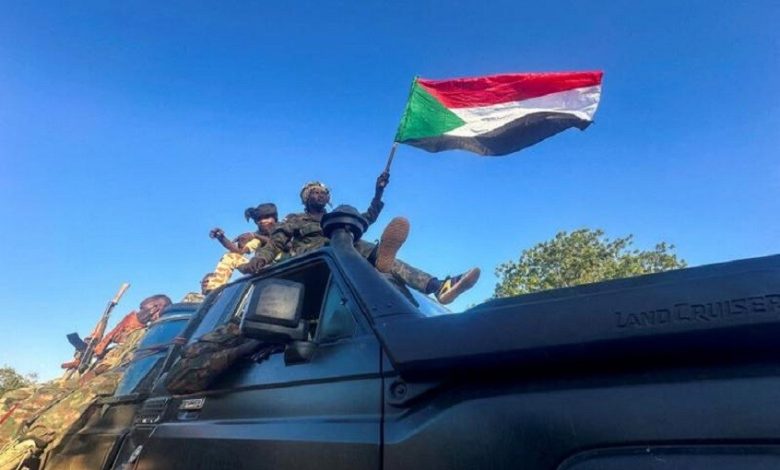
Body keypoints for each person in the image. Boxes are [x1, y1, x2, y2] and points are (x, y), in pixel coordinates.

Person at [239, 176, 479, 305]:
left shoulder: (337, 218)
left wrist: (378, 192)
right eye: (314, 192)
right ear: (306, 198)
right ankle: (377, 258)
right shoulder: (294, 219)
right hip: (315, 260)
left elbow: (367, 217)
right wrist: (259, 261)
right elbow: (276, 243)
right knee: (357, 245)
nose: (320, 195)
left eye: (323, 192)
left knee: (378, 257)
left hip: (347, 253)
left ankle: (438, 287)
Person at [0, 295, 171, 470]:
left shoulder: (161, 332)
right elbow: (110, 348)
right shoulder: (137, 332)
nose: (138, 312)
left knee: (82, 393)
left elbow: (128, 363)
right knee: (23, 394)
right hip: (92, 376)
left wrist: (97, 372)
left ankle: (31, 443)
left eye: (143, 308)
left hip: (117, 378)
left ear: (156, 308)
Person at [206, 203, 279, 290]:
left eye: (266, 217)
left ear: (275, 218)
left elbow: (280, 243)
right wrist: (221, 237)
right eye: (259, 219)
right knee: (231, 256)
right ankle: (214, 291)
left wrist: (255, 236)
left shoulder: (284, 228)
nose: (263, 221)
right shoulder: (257, 238)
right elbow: (239, 251)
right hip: (263, 268)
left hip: (284, 266)